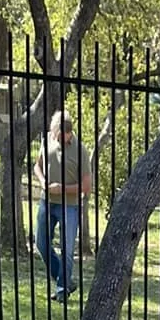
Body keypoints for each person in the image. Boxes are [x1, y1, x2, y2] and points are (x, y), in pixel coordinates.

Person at [33, 109, 92, 300]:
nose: (60, 141)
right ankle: (66, 280)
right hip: (46, 202)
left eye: (64, 138)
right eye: (58, 137)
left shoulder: (80, 150)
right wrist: (42, 182)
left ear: (70, 133)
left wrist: (62, 188)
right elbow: (37, 166)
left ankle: (62, 290)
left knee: (66, 248)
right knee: (41, 243)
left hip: (69, 205)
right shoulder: (47, 140)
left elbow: (86, 186)